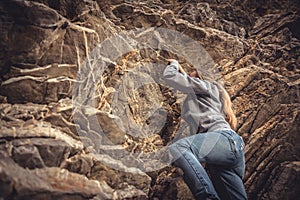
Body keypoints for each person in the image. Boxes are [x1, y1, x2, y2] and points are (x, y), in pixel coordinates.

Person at [163, 59, 247, 200]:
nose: (188, 78)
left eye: (192, 76)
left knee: (180, 148)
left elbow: (171, 77)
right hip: (229, 149)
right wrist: (184, 73)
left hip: (223, 140)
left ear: (200, 78)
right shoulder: (209, 98)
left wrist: (174, 65)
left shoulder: (207, 86)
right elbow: (189, 83)